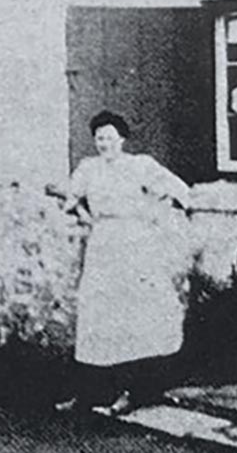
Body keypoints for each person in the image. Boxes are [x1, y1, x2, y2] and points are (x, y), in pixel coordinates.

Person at [56, 110, 190, 417]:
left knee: (136, 314)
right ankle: (90, 393)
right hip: (103, 244)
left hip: (135, 245)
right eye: (99, 138)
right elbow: (70, 199)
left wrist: (156, 211)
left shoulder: (139, 165)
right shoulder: (88, 168)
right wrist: (87, 218)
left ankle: (138, 390)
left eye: (110, 137)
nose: (104, 143)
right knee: (99, 315)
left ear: (122, 138)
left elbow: (177, 190)